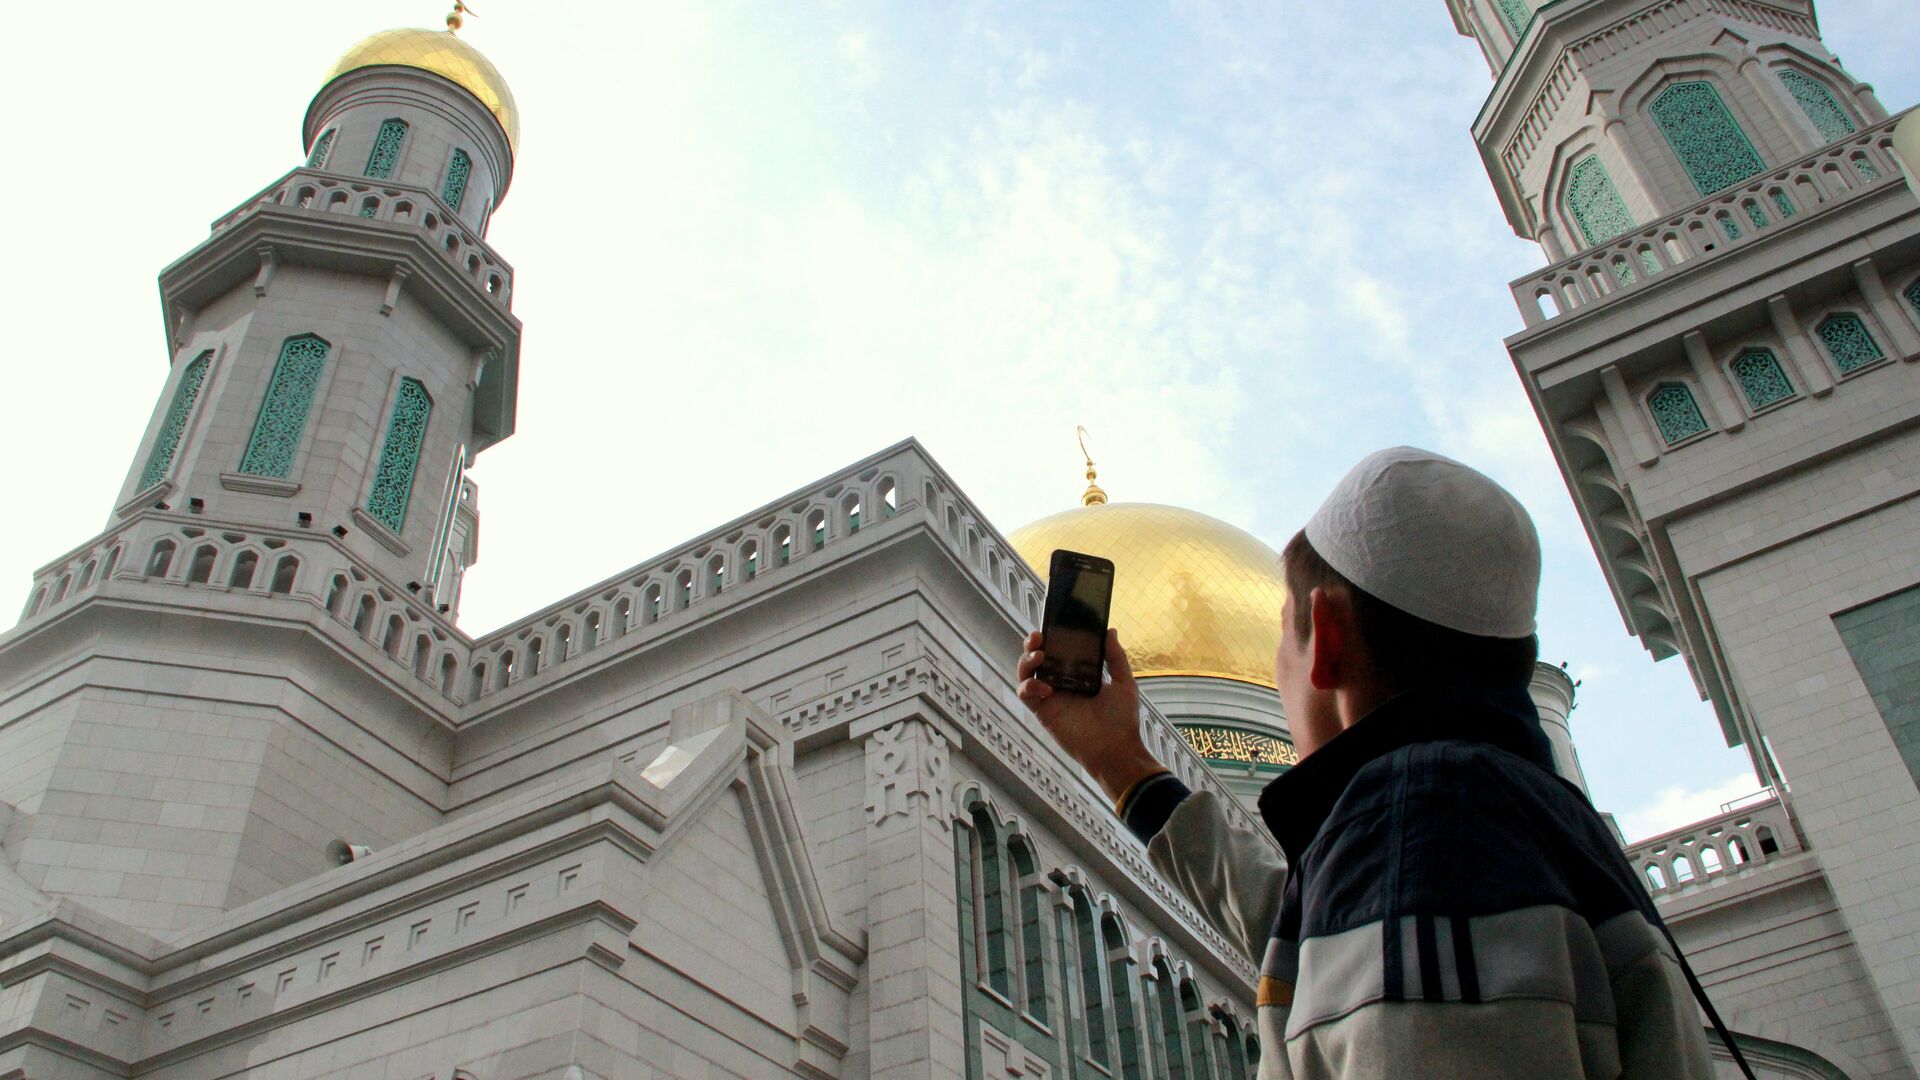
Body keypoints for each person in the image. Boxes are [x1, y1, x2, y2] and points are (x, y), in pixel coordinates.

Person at [1016, 447, 1718, 1080]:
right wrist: (1122, 764)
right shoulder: (1504, 823)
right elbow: (1319, 940)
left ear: (1325, 639)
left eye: (1279, 640)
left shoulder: (1422, 822)